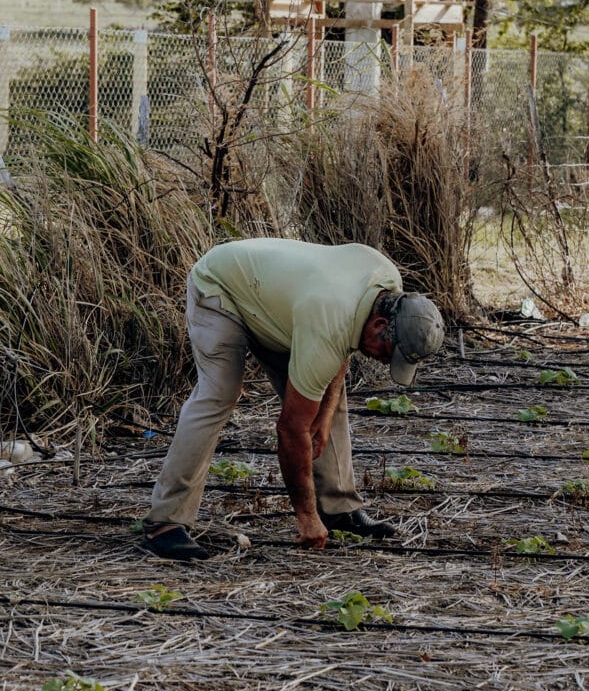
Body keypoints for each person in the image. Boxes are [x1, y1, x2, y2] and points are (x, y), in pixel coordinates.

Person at [142, 238, 445, 560]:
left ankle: (339, 509)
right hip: (222, 287)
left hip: (284, 306)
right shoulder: (328, 321)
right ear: (380, 324)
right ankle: (166, 521)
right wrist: (306, 517)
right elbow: (291, 429)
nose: (385, 362)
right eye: (388, 353)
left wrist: (325, 415)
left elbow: (345, 340)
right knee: (219, 394)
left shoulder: (387, 284)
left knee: (328, 395)